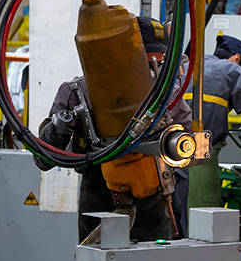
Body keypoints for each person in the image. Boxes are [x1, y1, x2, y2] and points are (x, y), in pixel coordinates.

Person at [37, 17, 191, 242]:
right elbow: (44, 160)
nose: (155, 73)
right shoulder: (78, 92)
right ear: (126, 55)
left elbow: (187, 143)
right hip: (100, 204)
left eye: (160, 64)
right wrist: (58, 129)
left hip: (154, 206)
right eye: (149, 64)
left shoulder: (169, 95)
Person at [185, 34, 241, 213]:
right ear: (237, 58)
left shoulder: (187, 65)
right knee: (204, 214)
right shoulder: (231, 69)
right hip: (200, 145)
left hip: (169, 146)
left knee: (178, 210)